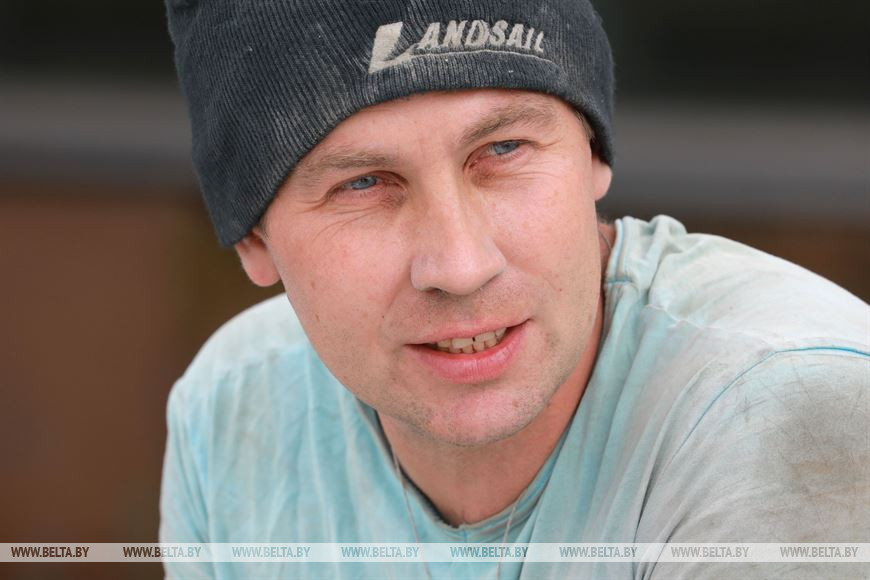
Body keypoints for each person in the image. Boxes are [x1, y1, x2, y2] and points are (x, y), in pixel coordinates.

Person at [160, 0, 869, 578]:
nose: (461, 264)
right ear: (254, 239)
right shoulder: (235, 412)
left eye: (503, 150)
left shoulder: (782, 405)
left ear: (593, 153)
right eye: (364, 184)